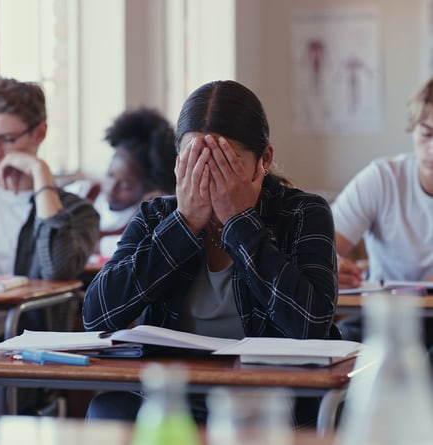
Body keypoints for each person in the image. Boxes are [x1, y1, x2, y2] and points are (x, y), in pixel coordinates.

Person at [82, 80, 338, 425]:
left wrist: (240, 222)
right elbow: (97, 315)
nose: (208, 176)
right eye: (196, 162)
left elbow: (312, 325)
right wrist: (184, 224)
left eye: (224, 164)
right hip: (174, 393)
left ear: (264, 160)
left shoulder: (304, 212)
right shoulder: (157, 215)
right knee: (107, 412)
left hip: (272, 394)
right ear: (177, 164)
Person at [0, 74, 100, 335]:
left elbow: (57, 269)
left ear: (40, 132)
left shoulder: (77, 211)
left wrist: (40, 172)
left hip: (21, 342)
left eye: (7, 139)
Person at [332, 76, 433, 343]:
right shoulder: (383, 178)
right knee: (339, 346)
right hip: (382, 318)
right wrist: (329, 265)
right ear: (413, 130)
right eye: (427, 133)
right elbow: (318, 249)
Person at [65, 108, 177, 258]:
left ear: (147, 187)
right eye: (110, 175)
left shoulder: (144, 220)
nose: (112, 188)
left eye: (126, 185)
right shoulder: (82, 193)